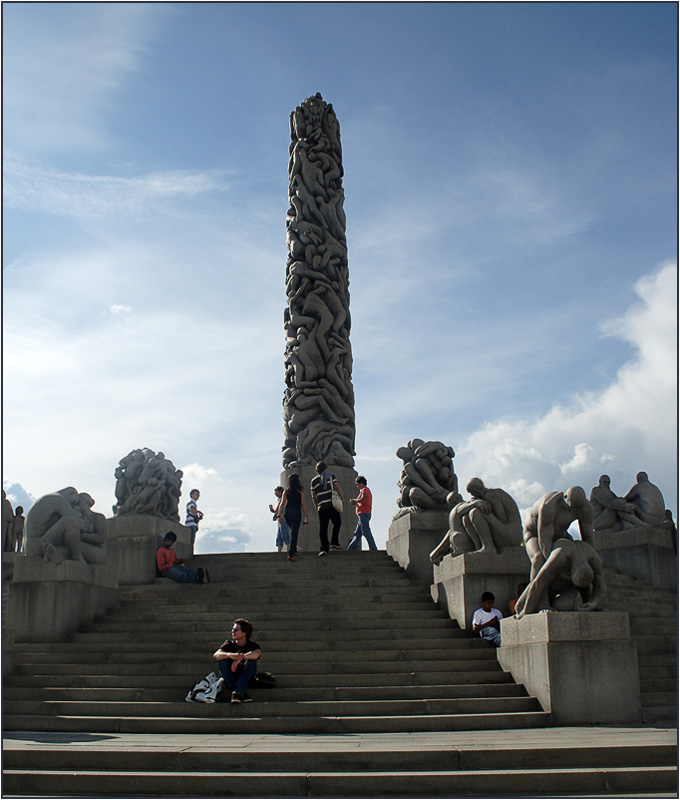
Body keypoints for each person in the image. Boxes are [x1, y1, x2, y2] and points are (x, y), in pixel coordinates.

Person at [513, 539, 606, 618]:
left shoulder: (593, 558)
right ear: (572, 571)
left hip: (567, 588)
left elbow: (600, 585)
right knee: (519, 607)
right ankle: (542, 603)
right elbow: (539, 582)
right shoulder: (561, 554)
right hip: (548, 586)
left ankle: (579, 598)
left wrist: (593, 603)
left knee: (563, 606)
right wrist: (526, 612)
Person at [523, 487, 594, 583]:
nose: (572, 511)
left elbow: (588, 539)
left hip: (561, 535)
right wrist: (556, 567)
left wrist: (586, 561)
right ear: (564, 497)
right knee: (538, 558)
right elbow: (544, 541)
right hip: (534, 534)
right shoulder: (549, 505)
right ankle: (536, 592)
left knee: (574, 556)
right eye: (570, 508)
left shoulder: (585, 508)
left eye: (576, 508)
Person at [213, 618, 262, 703]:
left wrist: (241, 658)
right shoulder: (229, 644)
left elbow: (257, 654)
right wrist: (230, 655)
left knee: (251, 661)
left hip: (247, 677)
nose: (232, 631)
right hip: (231, 676)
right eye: (232, 629)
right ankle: (239, 692)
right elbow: (216, 655)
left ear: (244, 633)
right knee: (222, 661)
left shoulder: (252, 645)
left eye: (235, 629)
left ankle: (237, 691)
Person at [310, 461, 344, 556]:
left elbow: (313, 495)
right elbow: (337, 487)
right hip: (331, 504)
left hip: (322, 506)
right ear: (325, 468)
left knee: (323, 528)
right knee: (337, 523)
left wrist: (316, 506)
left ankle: (324, 548)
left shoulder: (314, 481)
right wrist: (342, 499)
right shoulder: (331, 476)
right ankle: (334, 542)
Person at [280, 473, 308, 562]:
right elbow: (303, 504)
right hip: (296, 513)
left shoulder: (286, 491)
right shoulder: (300, 490)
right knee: (294, 533)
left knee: (293, 531)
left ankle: (294, 550)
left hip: (287, 513)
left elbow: (282, 504)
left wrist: (279, 514)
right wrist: (306, 516)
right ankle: (291, 554)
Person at [347, 476, 377, 551]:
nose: (357, 486)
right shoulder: (365, 490)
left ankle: (373, 548)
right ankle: (351, 548)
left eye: (357, 484)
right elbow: (363, 502)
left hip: (363, 513)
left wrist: (355, 500)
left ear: (361, 483)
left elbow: (363, 500)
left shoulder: (365, 490)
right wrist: (356, 503)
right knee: (358, 533)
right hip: (363, 513)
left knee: (366, 531)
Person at [269, 486, 290, 553]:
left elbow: (283, 508)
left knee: (284, 535)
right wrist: (272, 510)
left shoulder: (284, 499)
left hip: (283, 518)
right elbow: (277, 510)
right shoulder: (280, 500)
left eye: (276, 491)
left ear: (280, 491)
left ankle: (296, 547)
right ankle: (279, 552)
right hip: (280, 519)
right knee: (279, 537)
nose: (275, 493)